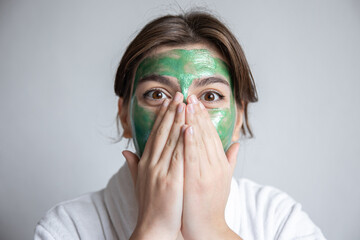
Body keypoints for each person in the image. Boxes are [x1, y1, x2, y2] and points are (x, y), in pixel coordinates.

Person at [34, 11, 326, 240]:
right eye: (157, 94)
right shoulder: (66, 227)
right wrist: (154, 230)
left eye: (210, 96)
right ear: (124, 115)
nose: (185, 116)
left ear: (238, 118)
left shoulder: (278, 219)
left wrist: (212, 231)